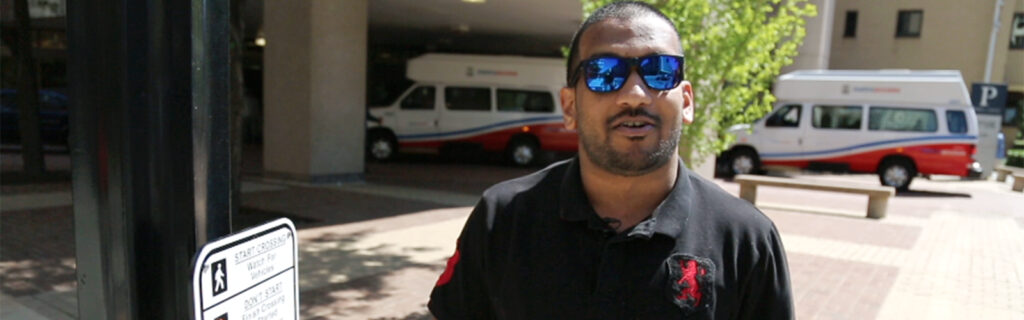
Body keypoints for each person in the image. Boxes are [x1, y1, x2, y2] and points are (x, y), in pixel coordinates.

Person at [428, 2, 793, 319]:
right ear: (570, 106)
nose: (634, 94)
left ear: (686, 102)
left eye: (659, 70)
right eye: (604, 73)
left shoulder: (747, 239)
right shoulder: (503, 217)